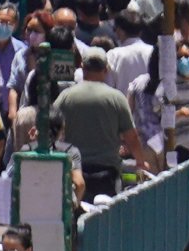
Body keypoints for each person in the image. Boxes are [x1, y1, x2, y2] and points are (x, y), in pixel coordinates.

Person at [48, 54, 145, 198]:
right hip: (109, 174)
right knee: (138, 179)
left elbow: (51, 127)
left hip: (75, 173)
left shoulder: (66, 96)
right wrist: (141, 163)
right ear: (106, 70)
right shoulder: (117, 98)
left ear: (82, 68)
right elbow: (131, 138)